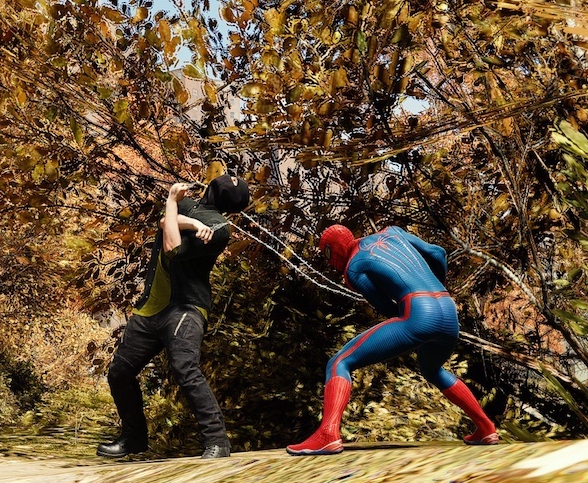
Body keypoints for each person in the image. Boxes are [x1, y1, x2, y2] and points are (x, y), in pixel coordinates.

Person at [287, 224, 498, 455]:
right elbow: (438, 252)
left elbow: (386, 307)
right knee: (432, 370)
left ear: (332, 251)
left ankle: (328, 434)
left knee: (339, 362)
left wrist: (412, 319)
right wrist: (436, 285)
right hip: (447, 308)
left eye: (327, 254)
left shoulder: (353, 268)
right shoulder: (392, 232)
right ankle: (486, 428)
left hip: (418, 310)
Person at [98, 173, 250, 460]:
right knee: (120, 372)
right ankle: (134, 438)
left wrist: (172, 203)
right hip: (150, 309)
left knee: (185, 369)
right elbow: (163, 222)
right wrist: (191, 222)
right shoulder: (191, 206)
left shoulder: (220, 228)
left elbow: (173, 247)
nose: (227, 179)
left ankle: (217, 442)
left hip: (186, 308)